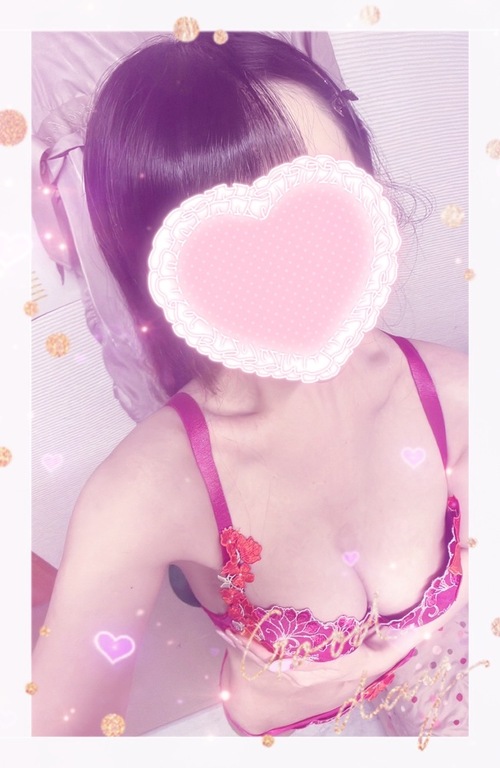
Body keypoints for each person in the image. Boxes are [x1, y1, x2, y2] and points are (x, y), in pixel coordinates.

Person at [31, 31, 468, 738]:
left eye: (329, 219)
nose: (298, 282)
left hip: (432, 686)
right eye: (231, 260)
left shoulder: (458, 395)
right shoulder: (141, 495)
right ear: (153, 274)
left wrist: (415, 635)